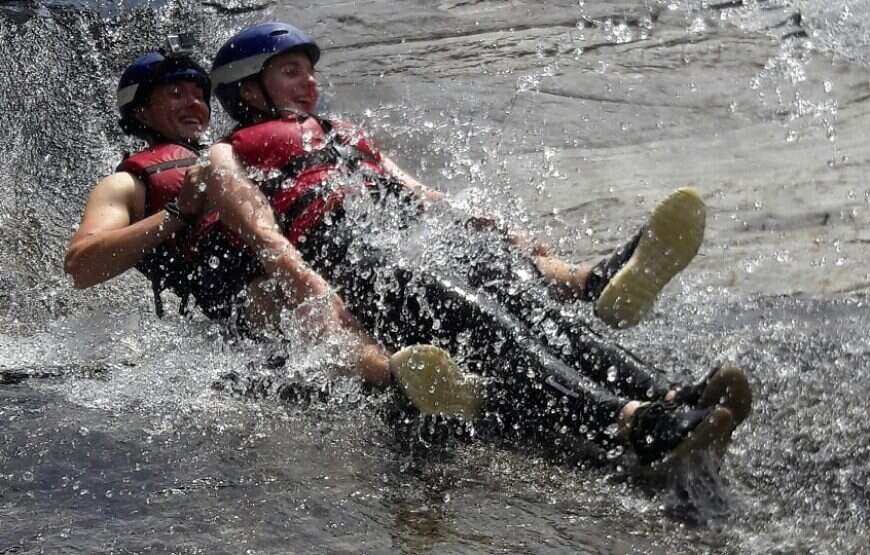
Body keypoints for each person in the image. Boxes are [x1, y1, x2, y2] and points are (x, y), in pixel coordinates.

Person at [189, 21, 752, 466]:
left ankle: (672, 397)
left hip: (417, 238)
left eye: (309, 72)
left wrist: (502, 235)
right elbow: (262, 230)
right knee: (496, 329)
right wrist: (315, 289)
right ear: (247, 89)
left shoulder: (341, 134)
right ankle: (631, 423)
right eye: (291, 72)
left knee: (536, 311)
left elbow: (420, 194)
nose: (309, 83)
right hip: (357, 260)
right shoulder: (226, 155)